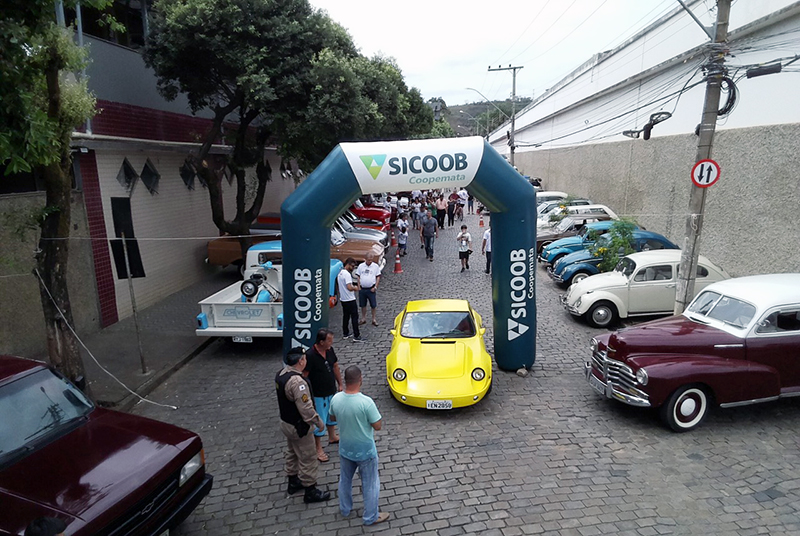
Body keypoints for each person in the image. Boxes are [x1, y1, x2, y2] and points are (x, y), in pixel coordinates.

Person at [329, 365, 389, 526]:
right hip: (365, 451)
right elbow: (377, 425)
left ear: (345, 380)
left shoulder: (336, 399)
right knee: (370, 484)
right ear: (360, 379)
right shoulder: (366, 402)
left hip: (345, 448)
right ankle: (370, 516)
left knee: (345, 480)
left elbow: (332, 417)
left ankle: (345, 508)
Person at [276, 347, 330, 503]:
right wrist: (318, 422)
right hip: (299, 427)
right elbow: (306, 409)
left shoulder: (281, 374)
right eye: (304, 358)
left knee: (292, 452)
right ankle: (310, 490)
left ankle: (293, 481)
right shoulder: (298, 382)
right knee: (308, 457)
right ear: (300, 361)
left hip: (286, 423)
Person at [305, 328, 344, 462]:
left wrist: (340, 383)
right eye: (329, 341)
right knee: (319, 421)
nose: (331, 343)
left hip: (330, 390)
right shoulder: (310, 355)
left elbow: (335, 366)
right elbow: (305, 376)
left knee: (331, 415)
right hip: (318, 394)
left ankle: (332, 436)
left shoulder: (329, 350)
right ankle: (318, 448)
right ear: (321, 342)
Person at [338, 258, 364, 342]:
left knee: (346, 316)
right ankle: (356, 335)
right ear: (348, 264)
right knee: (354, 317)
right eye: (352, 266)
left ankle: (345, 333)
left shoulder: (340, 273)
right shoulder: (347, 274)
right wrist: (355, 288)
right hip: (350, 299)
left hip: (343, 299)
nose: (353, 268)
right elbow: (349, 287)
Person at [355, 253, 381, 326]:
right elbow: (358, 276)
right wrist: (359, 286)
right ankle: (363, 318)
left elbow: (378, 277)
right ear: (365, 259)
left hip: (371, 288)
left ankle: (373, 319)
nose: (370, 261)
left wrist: (375, 287)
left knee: (373, 305)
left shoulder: (375, 266)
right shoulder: (361, 266)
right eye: (369, 260)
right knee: (363, 305)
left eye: (371, 260)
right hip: (362, 288)